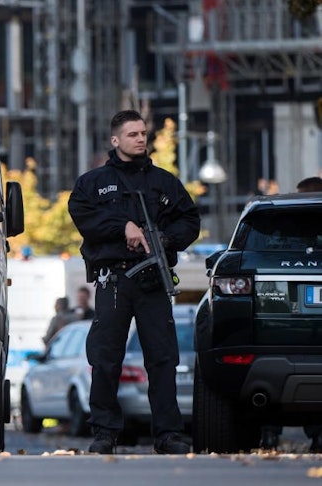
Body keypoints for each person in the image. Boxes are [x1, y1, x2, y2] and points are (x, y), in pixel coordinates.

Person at [67, 110, 200, 455]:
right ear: (115, 140)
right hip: (114, 279)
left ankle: (168, 434)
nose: (140, 139)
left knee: (162, 358)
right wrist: (122, 227)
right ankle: (105, 433)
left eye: (143, 133)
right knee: (106, 358)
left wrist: (165, 241)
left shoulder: (164, 182)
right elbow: (83, 215)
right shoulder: (93, 183)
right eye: (132, 134)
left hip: (153, 279)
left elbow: (190, 220)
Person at [259, 176, 322, 453]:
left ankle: (269, 434)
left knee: (268, 385)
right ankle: (318, 436)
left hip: (278, 328)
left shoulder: (277, 228)